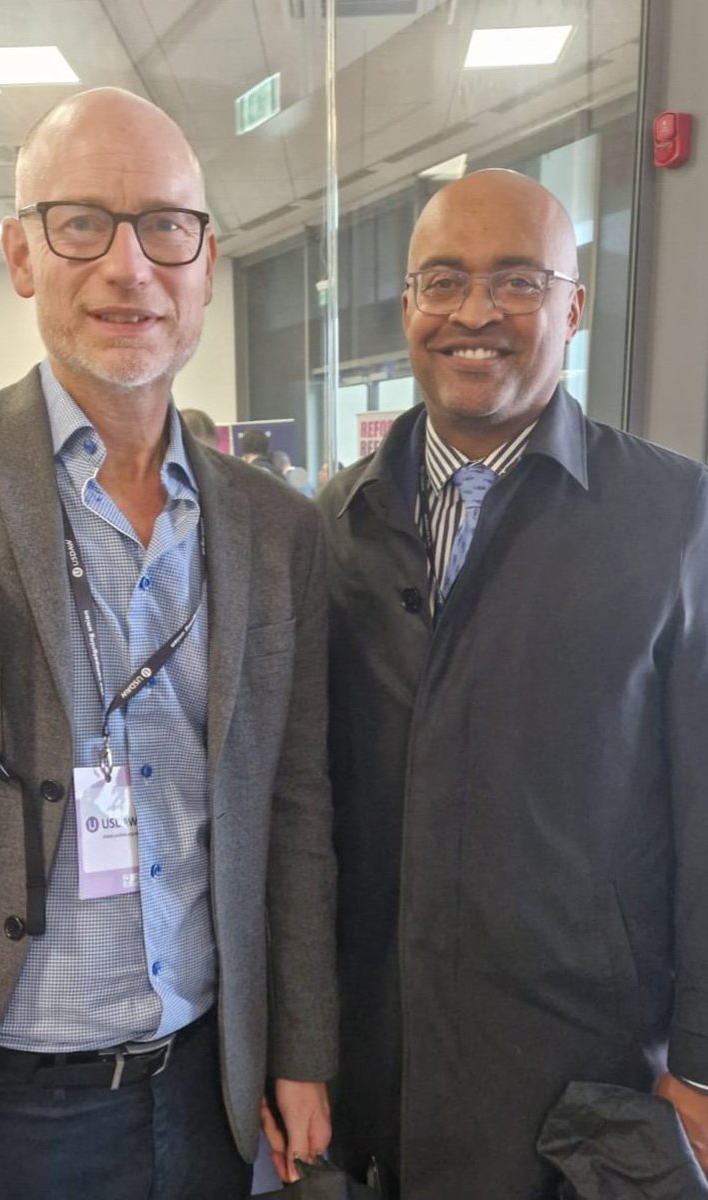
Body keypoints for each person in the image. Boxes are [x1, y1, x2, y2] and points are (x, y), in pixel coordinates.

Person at [0, 88, 336, 1200]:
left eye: (165, 227)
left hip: (204, 1099)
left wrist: (298, 1047)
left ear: (203, 260)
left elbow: (290, 810)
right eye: (82, 223)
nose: (129, 267)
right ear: (19, 255)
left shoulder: (273, 525)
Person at [317, 169, 708, 1198]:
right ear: (406, 308)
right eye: (442, 281)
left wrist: (703, 1068)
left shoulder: (676, 518)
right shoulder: (332, 526)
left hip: (588, 1078)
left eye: (519, 281)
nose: (475, 312)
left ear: (574, 307)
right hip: (375, 1082)